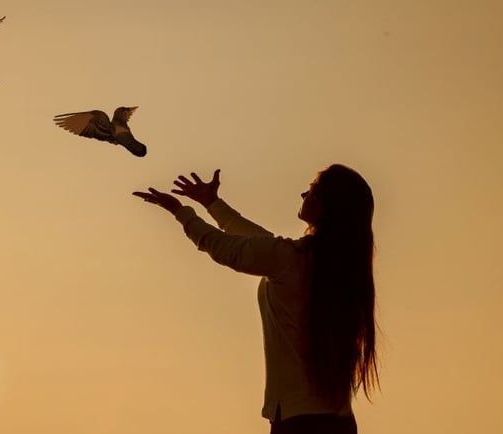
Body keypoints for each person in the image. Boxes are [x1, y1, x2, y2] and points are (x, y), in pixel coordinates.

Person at [132, 164, 380, 434]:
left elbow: (227, 249)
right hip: (339, 423)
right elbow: (259, 242)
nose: (302, 195)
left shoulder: (290, 259)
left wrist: (180, 212)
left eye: (310, 191)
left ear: (326, 204)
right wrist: (212, 204)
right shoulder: (339, 269)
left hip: (298, 422)